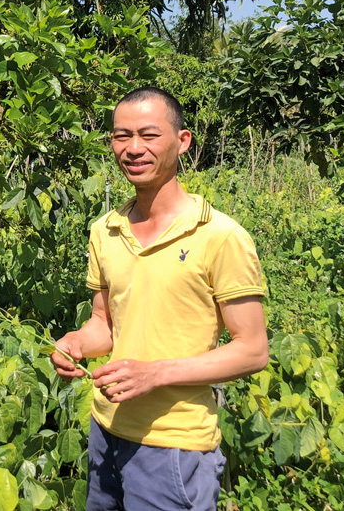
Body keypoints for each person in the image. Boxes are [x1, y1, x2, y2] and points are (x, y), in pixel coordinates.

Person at [51, 87, 268, 511]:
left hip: (174, 446)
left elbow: (252, 350)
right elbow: (105, 326)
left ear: (182, 141)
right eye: (121, 136)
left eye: (148, 135)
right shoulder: (104, 231)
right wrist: (75, 343)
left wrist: (154, 374)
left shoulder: (220, 236)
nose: (133, 149)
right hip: (105, 431)